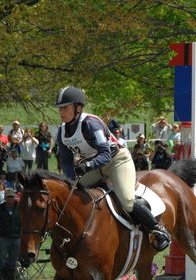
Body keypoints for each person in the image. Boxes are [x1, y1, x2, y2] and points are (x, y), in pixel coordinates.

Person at [54, 85, 170, 250]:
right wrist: (70, 180)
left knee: (127, 200)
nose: (61, 112)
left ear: (78, 107)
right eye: (60, 108)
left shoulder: (90, 124)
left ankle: (158, 229)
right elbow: (65, 162)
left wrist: (87, 165)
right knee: (72, 196)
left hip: (117, 161)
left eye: (65, 107)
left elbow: (106, 154)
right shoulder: (62, 131)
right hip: (94, 166)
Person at [0, 188, 21, 280]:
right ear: (5, 198)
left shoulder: (19, 208)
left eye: (12, 197)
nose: (10, 199)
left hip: (16, 238)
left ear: (15, 197)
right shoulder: (0, 208)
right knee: (1, 260)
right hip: (3, 237)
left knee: (13, 261)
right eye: (8, 197)